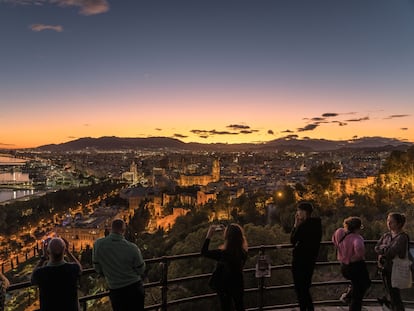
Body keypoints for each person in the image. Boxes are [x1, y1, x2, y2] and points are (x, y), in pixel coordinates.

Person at [93, 219, 146, 311]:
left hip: (115, 289)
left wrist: (106, 272)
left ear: (111, 229)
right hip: (134, 288)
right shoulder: (132, 248)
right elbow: (141, 269)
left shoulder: (98, 244)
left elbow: (97, 266)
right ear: (123, 231)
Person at [201, 223, 248, 311]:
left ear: (227, 237)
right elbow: (234, 245)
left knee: (226, 307)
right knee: (240, 306)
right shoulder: (243, 253)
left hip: (225, 286)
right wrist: (226, 232)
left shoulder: (222, 254)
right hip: (238, 283)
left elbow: (204, 252)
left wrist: (209, 235)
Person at [31, 237, 82, 311]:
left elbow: (32, 278)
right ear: (64, 251)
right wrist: (68, 252)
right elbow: (80, 268)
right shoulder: (72, 269)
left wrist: (43, 257)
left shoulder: (41, 273)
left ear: (48, 252)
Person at [332, 216, 371, 311]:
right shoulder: (357, 238)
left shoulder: (340, 233)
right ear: (358, 227)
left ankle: (348, 296)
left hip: (344, 266)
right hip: (356, 267)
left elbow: (334, 240)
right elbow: (360, 252)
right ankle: (350, 299)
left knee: (357, 285)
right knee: (360, 291)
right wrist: (351, 259)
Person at [290, 201, 322, 311]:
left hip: (300, 261)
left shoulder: (303, 226)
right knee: (305, 288)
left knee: (300, 289)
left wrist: (295, 225)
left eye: (298, 211)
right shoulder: (317, 225)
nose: (297, 213)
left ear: (303, 212)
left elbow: (293, 240)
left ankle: (305, 309)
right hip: (311, 261)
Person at [375, 212, 409, 311]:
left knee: (394, 294)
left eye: (391, 222)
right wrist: (385, 249)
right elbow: (376, 247)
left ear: (398, 224)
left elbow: (391, 252)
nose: (389, 223)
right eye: (388, 221)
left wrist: (384, 249)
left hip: (395, 269)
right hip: (385, 268)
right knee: (390, 292)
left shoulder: (402, 237)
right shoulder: (387, 235)